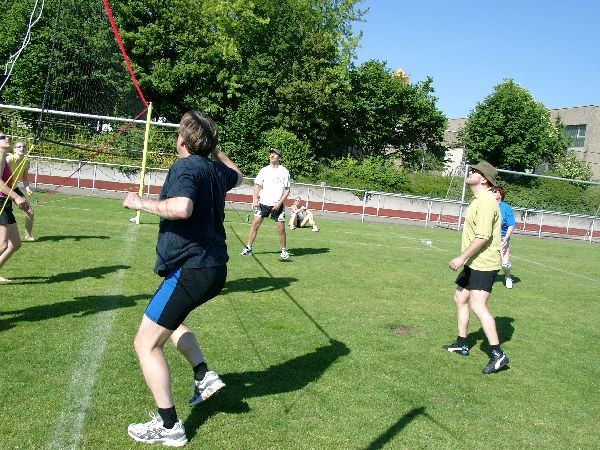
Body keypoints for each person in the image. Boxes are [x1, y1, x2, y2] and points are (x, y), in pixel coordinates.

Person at [122, 111, 243, 446]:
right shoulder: (215, 168)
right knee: (170, 322)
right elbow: (239, 175)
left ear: (181, 141)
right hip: (212, 268)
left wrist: (140, 203)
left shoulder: (186, 166)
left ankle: (169, 426)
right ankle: (203, 375)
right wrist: (214, 150)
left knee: (145, 343)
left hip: (192, 269)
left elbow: (181, 208)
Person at [442, 161, 509, 374]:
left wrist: (461, 258)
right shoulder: (478, 199)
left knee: (478, 305)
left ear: (484, 179)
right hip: (474, 262)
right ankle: (462, 344)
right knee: (460, 297)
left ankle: (498, 354)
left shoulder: (487, 201)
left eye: (475, 171)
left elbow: (483, 237)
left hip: (484, 263)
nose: (470, 172)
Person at [239, 147, 291, 260]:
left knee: (281, 229)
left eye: (275, 154)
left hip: (277, 205)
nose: (272, 155)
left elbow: (287, 190)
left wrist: (279, 203)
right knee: (255, 225)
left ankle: (283, 251)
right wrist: (255, 199)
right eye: (271, 153)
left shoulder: (284, 171)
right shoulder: (264, 170)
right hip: (263, 203)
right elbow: (257, 185)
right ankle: (248, 248)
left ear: (280, 158)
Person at [0, 134, 30, 283]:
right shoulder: (1, 157)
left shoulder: (5, 157)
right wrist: (16, 197)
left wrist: (15, 196)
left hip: (6, 201)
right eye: (1, 137)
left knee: (15, 244)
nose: (6, 138)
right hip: (0, 201)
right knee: (2, 244)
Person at [7, 141, 36, 241]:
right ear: (14, 149)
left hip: (14, 189)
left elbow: (25, 178)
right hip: (3, 189)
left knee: (30, 213)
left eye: (23, 147)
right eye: (18, 146)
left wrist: (27, 188)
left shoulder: (26, 162)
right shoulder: (9, 159)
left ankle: (28, 235)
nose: (21, 148)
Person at [492, 185, 516, 289]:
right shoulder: (488, 205)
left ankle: (508, 276)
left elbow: (511, 224)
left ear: (500, 194)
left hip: (501, 238)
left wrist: (506, 237)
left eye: (495, 192)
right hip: (488, 238)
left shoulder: (506, 208)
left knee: (505, 264)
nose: (492, 193)